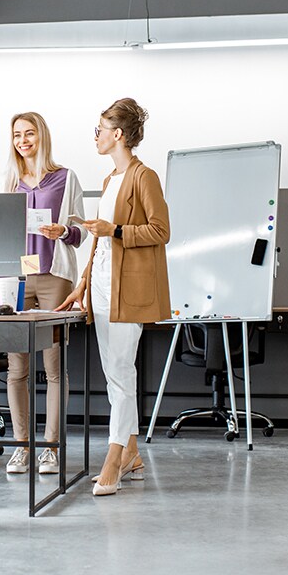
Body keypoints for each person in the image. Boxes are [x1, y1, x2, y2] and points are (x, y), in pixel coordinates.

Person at [56, 98, 170, 496]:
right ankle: (133, 454)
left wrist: (115, 229)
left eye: (101, 129)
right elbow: (99, 245)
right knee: (117, 373)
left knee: (120, 373)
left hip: (130, 289)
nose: (97, 135)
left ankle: (114, 455)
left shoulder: (144, 177)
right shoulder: (109, 181)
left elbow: (160, 231)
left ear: (118, 134)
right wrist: (81, 285)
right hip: (102, 286)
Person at [1, 112, 87, 475]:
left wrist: (62, 232)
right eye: (17, 135)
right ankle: (22, 447)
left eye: (29, 133)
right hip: (17, 279)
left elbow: (81, 232)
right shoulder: (8, 181)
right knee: (17, 368)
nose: (23, 140)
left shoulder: (65, 178)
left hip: (54, 277)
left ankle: (50, 448)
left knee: (54, 367)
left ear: (42, 136)